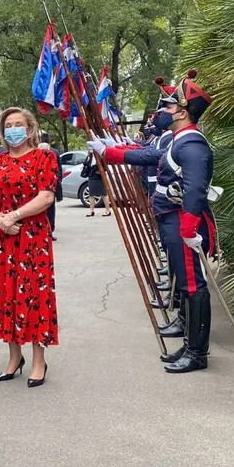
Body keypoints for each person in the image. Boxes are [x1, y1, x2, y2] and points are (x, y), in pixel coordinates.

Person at [91, 70, 216, 373]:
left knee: (193, 285)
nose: (163, 112)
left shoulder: (192, 145)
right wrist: (110, 153)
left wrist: (188, 229)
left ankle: (197, 352)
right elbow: (150, 156)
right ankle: (188, 341)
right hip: (173, 221)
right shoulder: (178, 140)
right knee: (185, 283)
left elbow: (195, 191)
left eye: (169, 107)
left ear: (183, 112)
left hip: (183, 223)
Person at [0, 107, 59, 387]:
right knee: (5, 295)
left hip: (33, 238)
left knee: (34, 295)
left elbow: (46, 197)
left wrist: (14, 216)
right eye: (8, 125)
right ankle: (14, 356)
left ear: (30, 129)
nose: (13, 129)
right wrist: (0, 219)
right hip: (3, 237)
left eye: (18, 124)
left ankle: (38, 360)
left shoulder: (44, 157)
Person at [82, 153, 111, 217]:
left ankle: (107, 210)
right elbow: (87, 164)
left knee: (103, 194)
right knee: (91, 194)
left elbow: (106, 165)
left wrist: (101, 171)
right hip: (91, 176)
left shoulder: (101, 156)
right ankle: (91, 211)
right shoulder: (91, 156)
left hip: (100, 177)